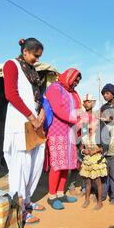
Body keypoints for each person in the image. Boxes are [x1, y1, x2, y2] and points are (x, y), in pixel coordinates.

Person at [2, 38, 46, 224]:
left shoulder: (32, 71)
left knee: (35, 163)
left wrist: (41, 110)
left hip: (34, 124)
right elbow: (11, 94)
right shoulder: (11, 65)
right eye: (35, 55)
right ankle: (19, 210)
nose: (37, 59)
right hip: (21, 123)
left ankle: (27, 201)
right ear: (26, 51)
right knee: (21, 166)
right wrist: (31, 117)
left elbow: (37, 96)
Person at [44, 68, 82, 210]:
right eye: (75, 80)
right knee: (57, 164)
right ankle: (52, 196)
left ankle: (61, 194)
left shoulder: (72, 93)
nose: (76, 84)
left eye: (78, 82)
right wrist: (76, 119)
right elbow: (58, 109)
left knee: (67, 164)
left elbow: (78, 110)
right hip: (57, 131)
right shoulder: (55, 88)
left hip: (70, 132)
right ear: (68, 77)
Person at [66, 94, 98, 197]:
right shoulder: (80, 115)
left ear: (93, 103)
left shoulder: (96, 116)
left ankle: (87, 188)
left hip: (92, 144)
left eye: (89, 101)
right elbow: (78, 128)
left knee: (90, 166)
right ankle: (72, 186)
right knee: (77, 166)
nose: (86, 103)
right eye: (85, 101)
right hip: (79, 143)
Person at [79, 118, 107, 210]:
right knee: (87, 182)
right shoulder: (85, 136)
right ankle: (87, 200)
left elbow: (103, 148)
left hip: (96, 160)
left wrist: (95, 150)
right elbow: (81, 147)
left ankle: (100, 202)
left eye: (92, 123)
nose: (89, 124)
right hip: (87, 160)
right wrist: (84, 151)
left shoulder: (98, 136)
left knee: (98, 182)